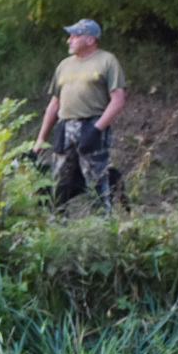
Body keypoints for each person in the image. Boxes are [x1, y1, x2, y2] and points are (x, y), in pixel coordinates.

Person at [34, 19, 126, 212]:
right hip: (65, 127)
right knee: (59, 180)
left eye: (75, 36)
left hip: (91, 125)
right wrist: (41, 139)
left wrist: (96, 129)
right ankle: (57, 220)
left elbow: (117, 100)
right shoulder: (64, 65)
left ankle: (101, 222)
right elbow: (54, 104)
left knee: (96, 181)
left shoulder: (107, 61)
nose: (69, 41)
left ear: (90, 39)